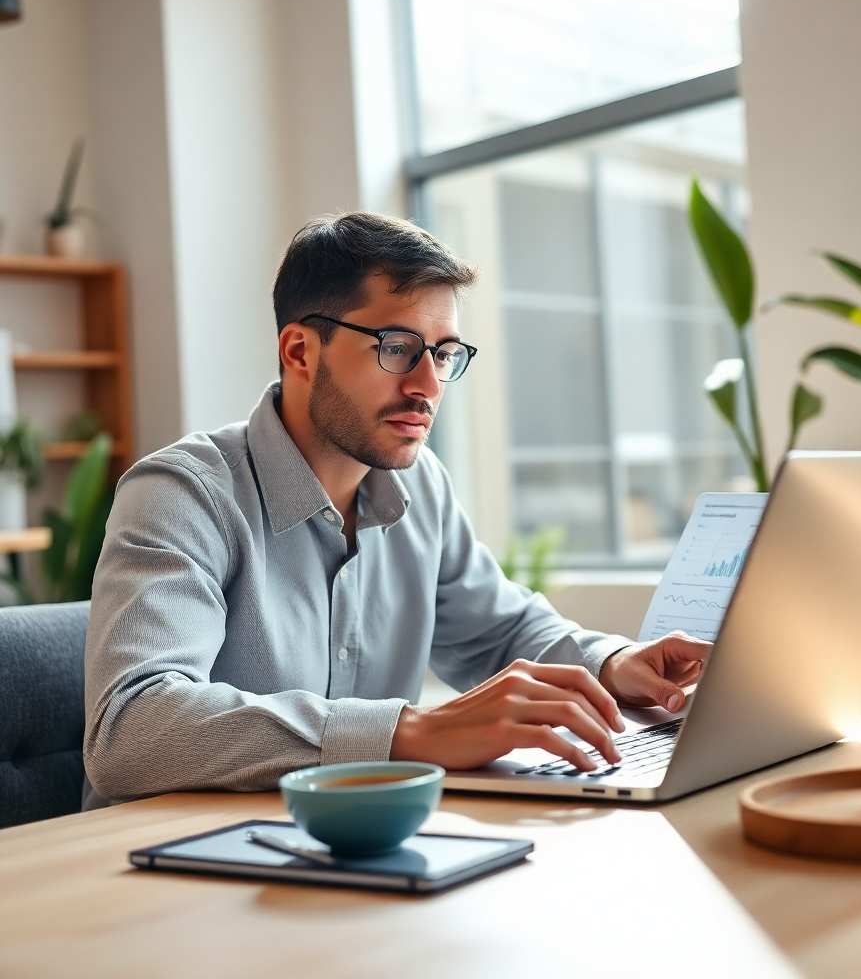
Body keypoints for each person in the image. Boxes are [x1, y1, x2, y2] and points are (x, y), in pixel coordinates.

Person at [84, 211, 710, 804]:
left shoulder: (421, 487)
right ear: (301, 351)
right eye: (396, 346)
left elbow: (501, 632)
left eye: (442, 353)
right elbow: (130, 728)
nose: (428, 385)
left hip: (354, 848)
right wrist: (409, 732)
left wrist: (614, 663)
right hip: (168, 865)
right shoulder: (182, 493)